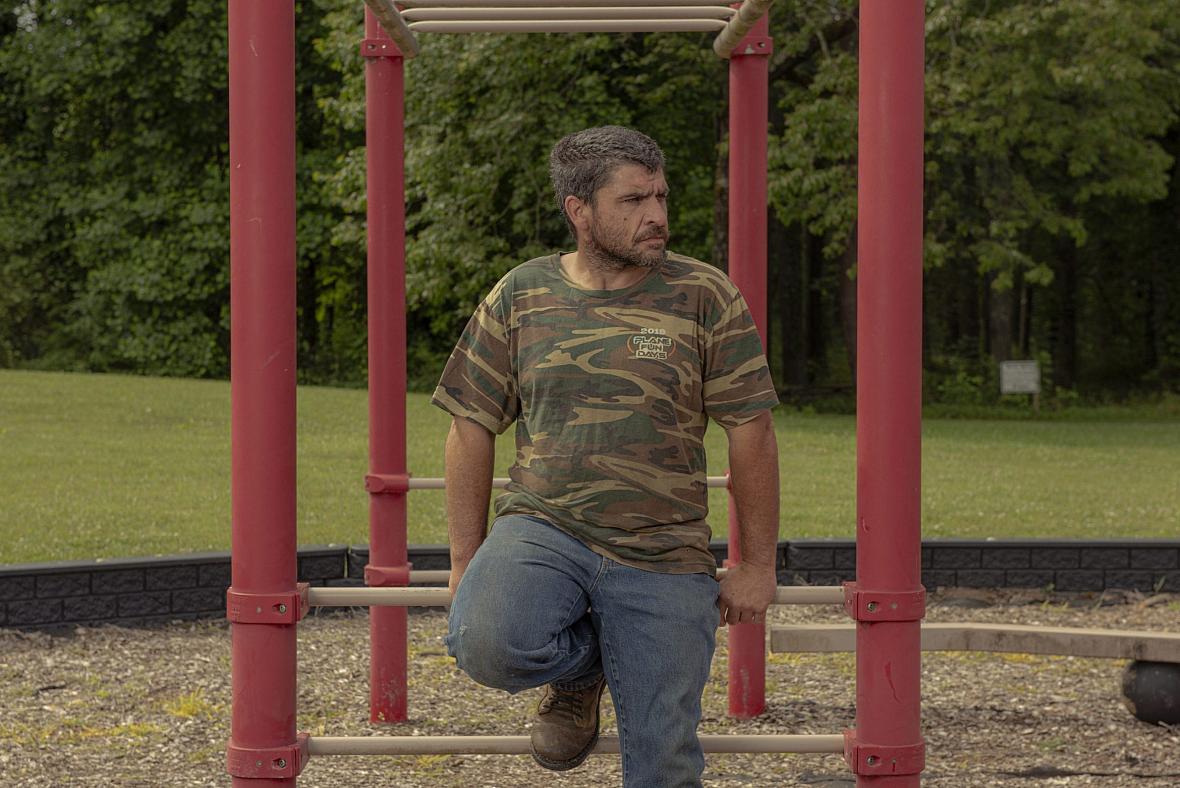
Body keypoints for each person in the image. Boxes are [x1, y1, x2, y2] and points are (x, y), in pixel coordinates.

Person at [431, 125, 780, 787]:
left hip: (666, 548)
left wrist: (757, 564)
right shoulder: (522, 294)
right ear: (579, 211)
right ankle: (585, 668)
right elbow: (469, 427)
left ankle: (610, 663)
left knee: (663, 761)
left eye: (661, 197)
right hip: (545, 526)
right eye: (634, 201)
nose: (657, 216)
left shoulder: (704, 295)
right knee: (484, 640)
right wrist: (462, 562)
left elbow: (752, 431)